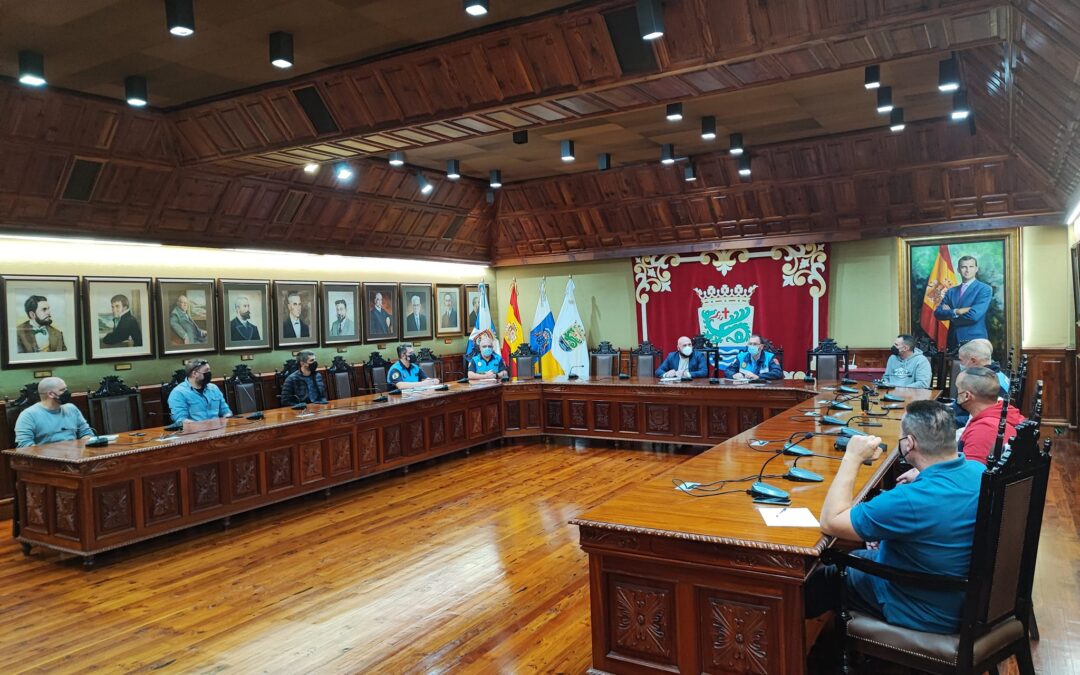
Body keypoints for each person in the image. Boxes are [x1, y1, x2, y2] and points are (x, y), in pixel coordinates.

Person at [807, 400, 982, 634]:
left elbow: (830, 522)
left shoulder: (910, 499)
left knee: (825, 574)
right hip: (966, 597)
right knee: (858, 552)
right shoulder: (980, 472)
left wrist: (852, 457)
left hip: (922, 607)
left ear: (909, 444)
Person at [933, 255, 992, 350]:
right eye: (964, 267)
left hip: (975, 341)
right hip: (953, 341)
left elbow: (974, 316)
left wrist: (950, 314)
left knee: (976, 366)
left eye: (971, 267)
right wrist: (957, 312)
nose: (967, 270)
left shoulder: (984, 289)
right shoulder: (951, 291)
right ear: (958, 270)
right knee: (953, 365)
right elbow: (938, 313)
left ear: (976, 269)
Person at [14, 377, 93, 448]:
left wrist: (86, 442)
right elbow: (24, 445)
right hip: (47, 460)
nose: (67, 392)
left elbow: (87, 433)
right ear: (51, 394)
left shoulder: (71, 408)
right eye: (63, 390)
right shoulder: (28, 415)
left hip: (75, 457)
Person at [951, 339, 1009, 426]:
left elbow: (982, 417)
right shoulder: (995, 375)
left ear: (973, 361)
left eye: (961, 360)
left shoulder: (991, 382)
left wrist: (947, 420)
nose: (960, 364)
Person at [167, 359, 232, 425]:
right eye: (206, 371)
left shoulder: (213, 388)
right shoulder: (178, 393)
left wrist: (227, 417)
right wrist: (203, 427)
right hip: (194, 433)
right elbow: (181, 420)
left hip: (218, 430)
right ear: (194, 373)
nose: (209, 373)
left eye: (209, 370)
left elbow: (226, 411)